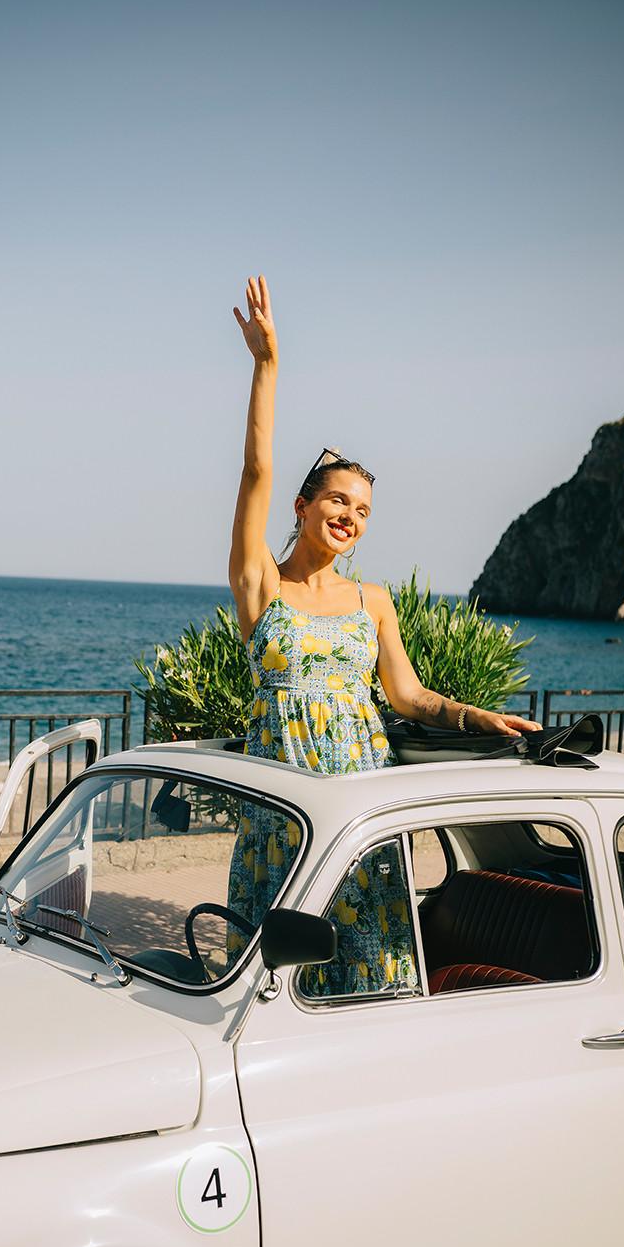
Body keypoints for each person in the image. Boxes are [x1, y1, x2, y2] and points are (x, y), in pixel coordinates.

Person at [225, 275, 541, 994]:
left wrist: (475, 717)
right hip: (285, 813)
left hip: (362, 808)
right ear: (303, 507)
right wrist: (266, 365)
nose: (351, 516)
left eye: (363, 510)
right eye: (337, 499)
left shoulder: (373, 602)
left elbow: (409, 698)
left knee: (368, 969)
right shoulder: (261, 586)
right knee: (276, 979)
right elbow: (254, 472)